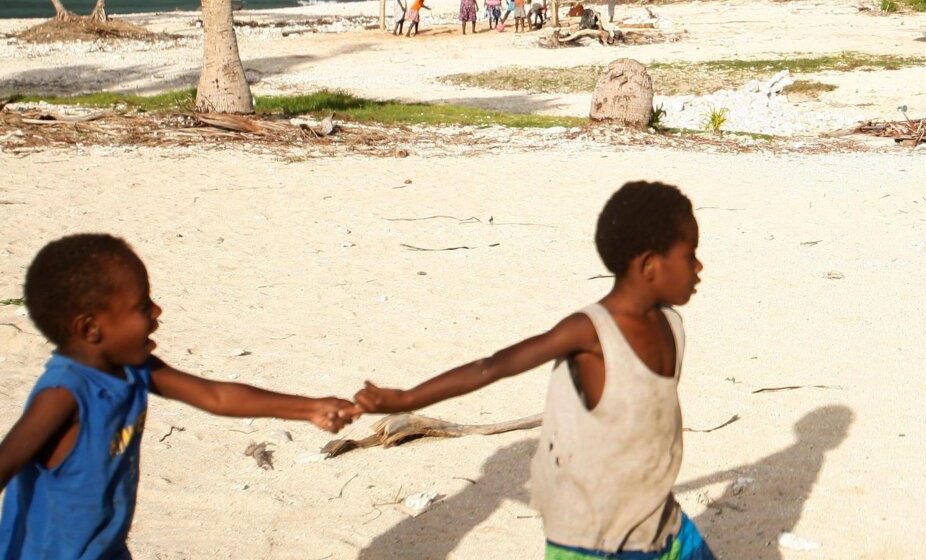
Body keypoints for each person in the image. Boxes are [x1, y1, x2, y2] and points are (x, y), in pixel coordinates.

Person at [356, 183, 713, 560]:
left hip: (661, 521)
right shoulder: (590, 331)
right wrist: (405, 398)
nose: (699, 266)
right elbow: (493, 366)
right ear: (649, 265)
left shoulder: (671, 324)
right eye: (690, 255)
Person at [0, 235, 357, 559]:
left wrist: (309, 407)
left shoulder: (132, 368)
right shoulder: (64, 394)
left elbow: (215, 396)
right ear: (90, 328)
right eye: (142, 306)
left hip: (104, 548)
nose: (157, 312)